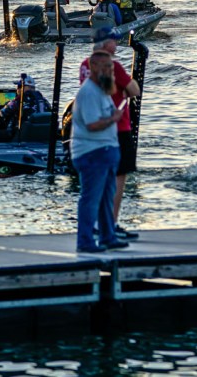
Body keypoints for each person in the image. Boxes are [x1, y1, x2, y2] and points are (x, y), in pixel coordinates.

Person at [79, 36, 141, 241]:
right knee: (117, 178)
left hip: (94, 129)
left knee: (97, 179)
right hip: (117, 128)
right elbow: (134, 90)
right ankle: (109, 225)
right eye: (113, 41)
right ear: (105, 45)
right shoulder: (113, 67)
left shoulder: (85, 66)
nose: (116, 44)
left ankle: (96, 224)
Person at [70, 51, 127, 253]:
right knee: (91, 198)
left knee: (106, 198)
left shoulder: (103, 90)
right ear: (93, 67)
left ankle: (107, 237)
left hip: (106, 150)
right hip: (92, 152)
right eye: (105, 66)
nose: (110, 70)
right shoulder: (88, 92)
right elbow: (92, 124)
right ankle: (85, 241)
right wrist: (114, 118)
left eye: (111, 66)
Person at [0, 74, 51, 141]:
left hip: (22, 136)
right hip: (42, 136)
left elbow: (3, 113)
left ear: (25, 87)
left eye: (19, 86)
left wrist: (7, 104)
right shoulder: (44, 101)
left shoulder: (18, 101)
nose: (18, 89)